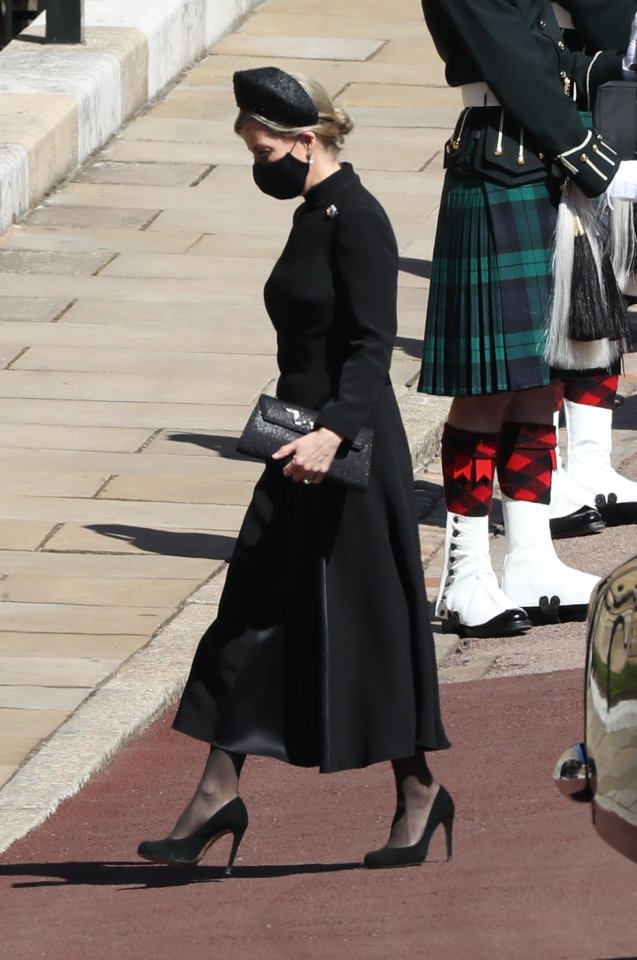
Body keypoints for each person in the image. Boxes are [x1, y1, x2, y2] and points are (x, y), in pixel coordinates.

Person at [137, 67, 452, 873]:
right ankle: (216, 794)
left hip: (342, 450)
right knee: (251, 609)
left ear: (305, 141)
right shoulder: (316, 210)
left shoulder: (358, 219)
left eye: (264, 147)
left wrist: (332, 436)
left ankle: (418, 792)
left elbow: (372, 346)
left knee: (363, 620)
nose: (258, 163)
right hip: (295, 443)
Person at [419, 0, 633, 638]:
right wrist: (581, 148)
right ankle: (462, 578)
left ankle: (531, 557)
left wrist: (602, 68)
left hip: (542, 160)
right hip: (503, 160)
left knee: (543, 376)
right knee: (489, 389)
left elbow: (549, 52)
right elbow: (512, 61)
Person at [548, 1, 637, 532]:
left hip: (611, 103)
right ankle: (551, 469)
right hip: (578, 109)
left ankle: (590, 460)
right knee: (571, 304)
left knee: (603, 304)